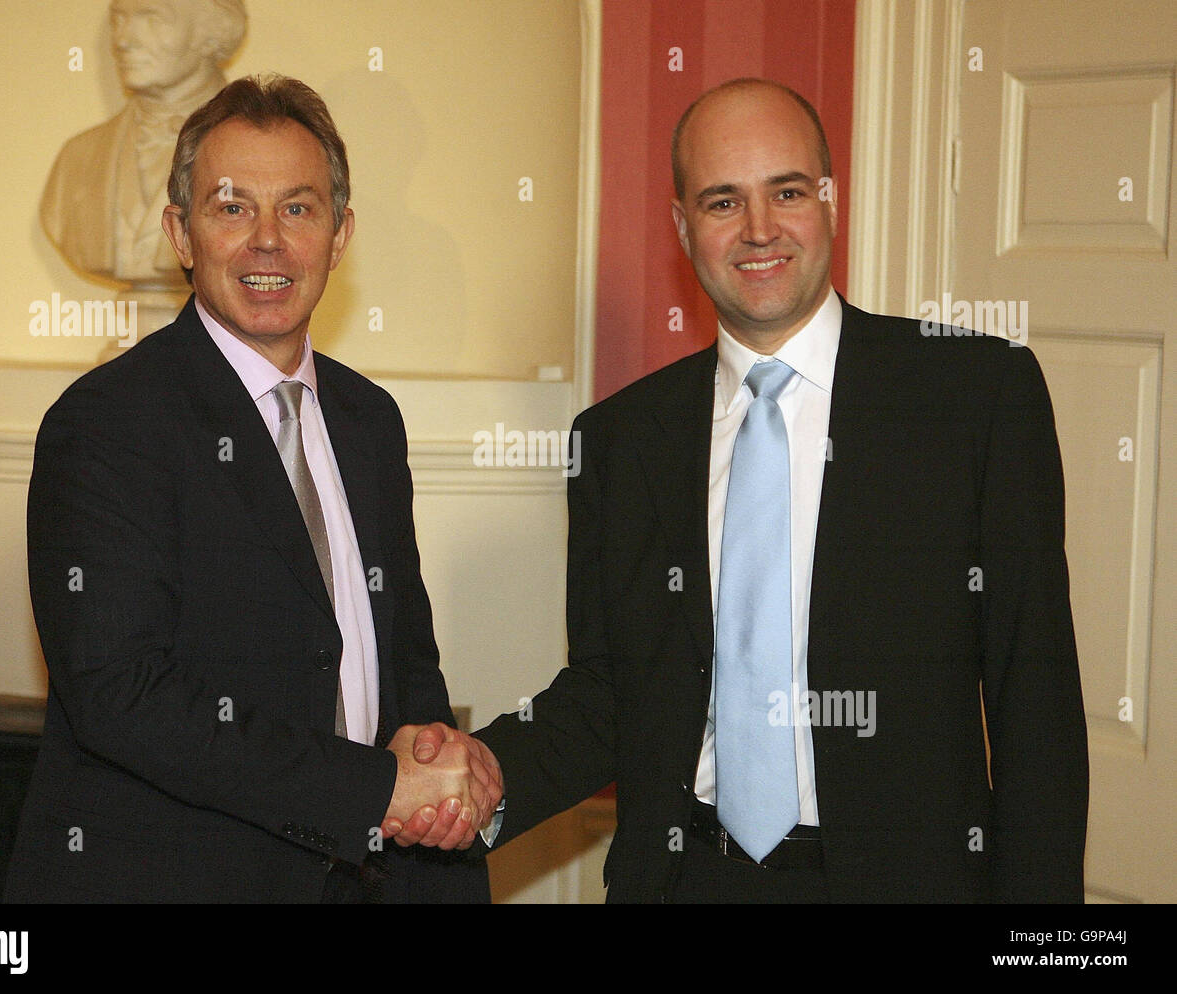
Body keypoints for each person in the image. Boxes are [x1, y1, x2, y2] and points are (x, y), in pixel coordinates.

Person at [389, 78, 1089, 903]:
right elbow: (613, 691)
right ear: (684, 227)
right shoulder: (617, 441)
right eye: (723, 201)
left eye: (786, 192)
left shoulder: (974, 398)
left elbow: (1033, 702)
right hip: (686, 881)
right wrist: (487, 771)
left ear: (829, 201)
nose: (759, 230)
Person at [7, 73, 499, 903]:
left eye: (298, 209)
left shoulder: (370, 420)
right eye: (232, 208)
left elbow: (403, 658)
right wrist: (370, 791)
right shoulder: (105, 423)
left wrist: (436, 768)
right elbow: (121, 695)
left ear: (340, 235)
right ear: (181, 232)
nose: (267, 241)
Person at [40, 0, 246, 286]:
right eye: (118, 20)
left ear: (215, 30)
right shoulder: (77, 159)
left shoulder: (261, 156)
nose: (123, 41)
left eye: (152, 19)